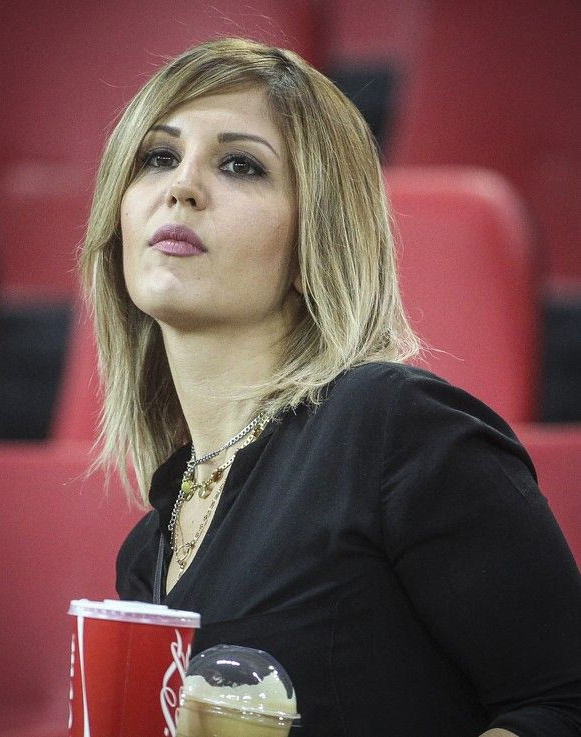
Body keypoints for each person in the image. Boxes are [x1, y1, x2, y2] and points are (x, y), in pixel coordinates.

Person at [79, 37, 581, 737]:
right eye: (158, 157)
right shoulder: (146, 549)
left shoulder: (390, 425)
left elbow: (565, 702)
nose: (181, 186)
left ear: (315, 238)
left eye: (241, 164)